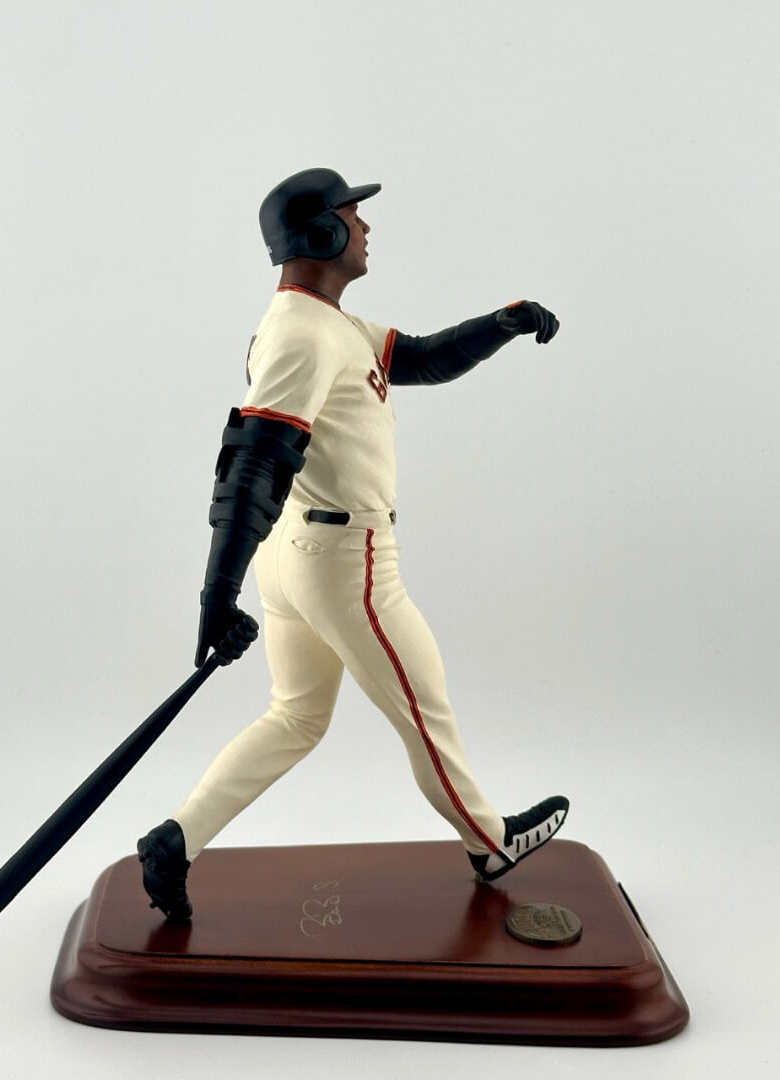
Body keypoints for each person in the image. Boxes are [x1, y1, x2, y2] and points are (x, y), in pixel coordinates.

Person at [136, 168, 568, 922]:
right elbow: (254, 463)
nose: (365, 227)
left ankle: (179, 839)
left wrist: (501, 324)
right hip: (347, 564)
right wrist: (215, 594)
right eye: (352, 215)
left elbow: (423, 357)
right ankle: (488, 842)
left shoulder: (326, 324)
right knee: (424, 712)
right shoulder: (303, 335)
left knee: (296, 718)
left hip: (298, 558)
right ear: (320, 234)